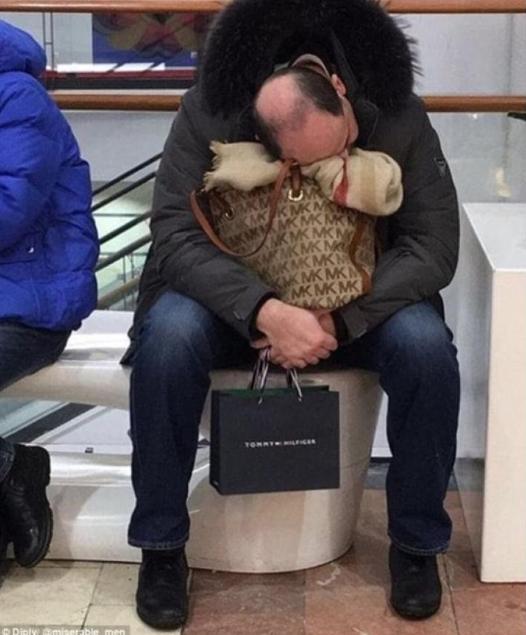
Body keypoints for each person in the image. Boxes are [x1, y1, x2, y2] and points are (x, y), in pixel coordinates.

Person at [124, 0, 459, 628]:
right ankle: (160, 546)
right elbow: (172, 231)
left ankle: (417, 545)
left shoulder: (398, 115)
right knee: (167, 339)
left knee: (426, 349)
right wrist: (263, 311)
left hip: (358, 302)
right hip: (234, 302)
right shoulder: (208, 109)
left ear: (340, 91)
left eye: (339, 147)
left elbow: (433, 246)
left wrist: (339, 321)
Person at [0, 21, 98, 567]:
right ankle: (11, 470)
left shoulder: (17, 97)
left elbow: (10, 207)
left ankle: (15, 467)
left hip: (30, 308)